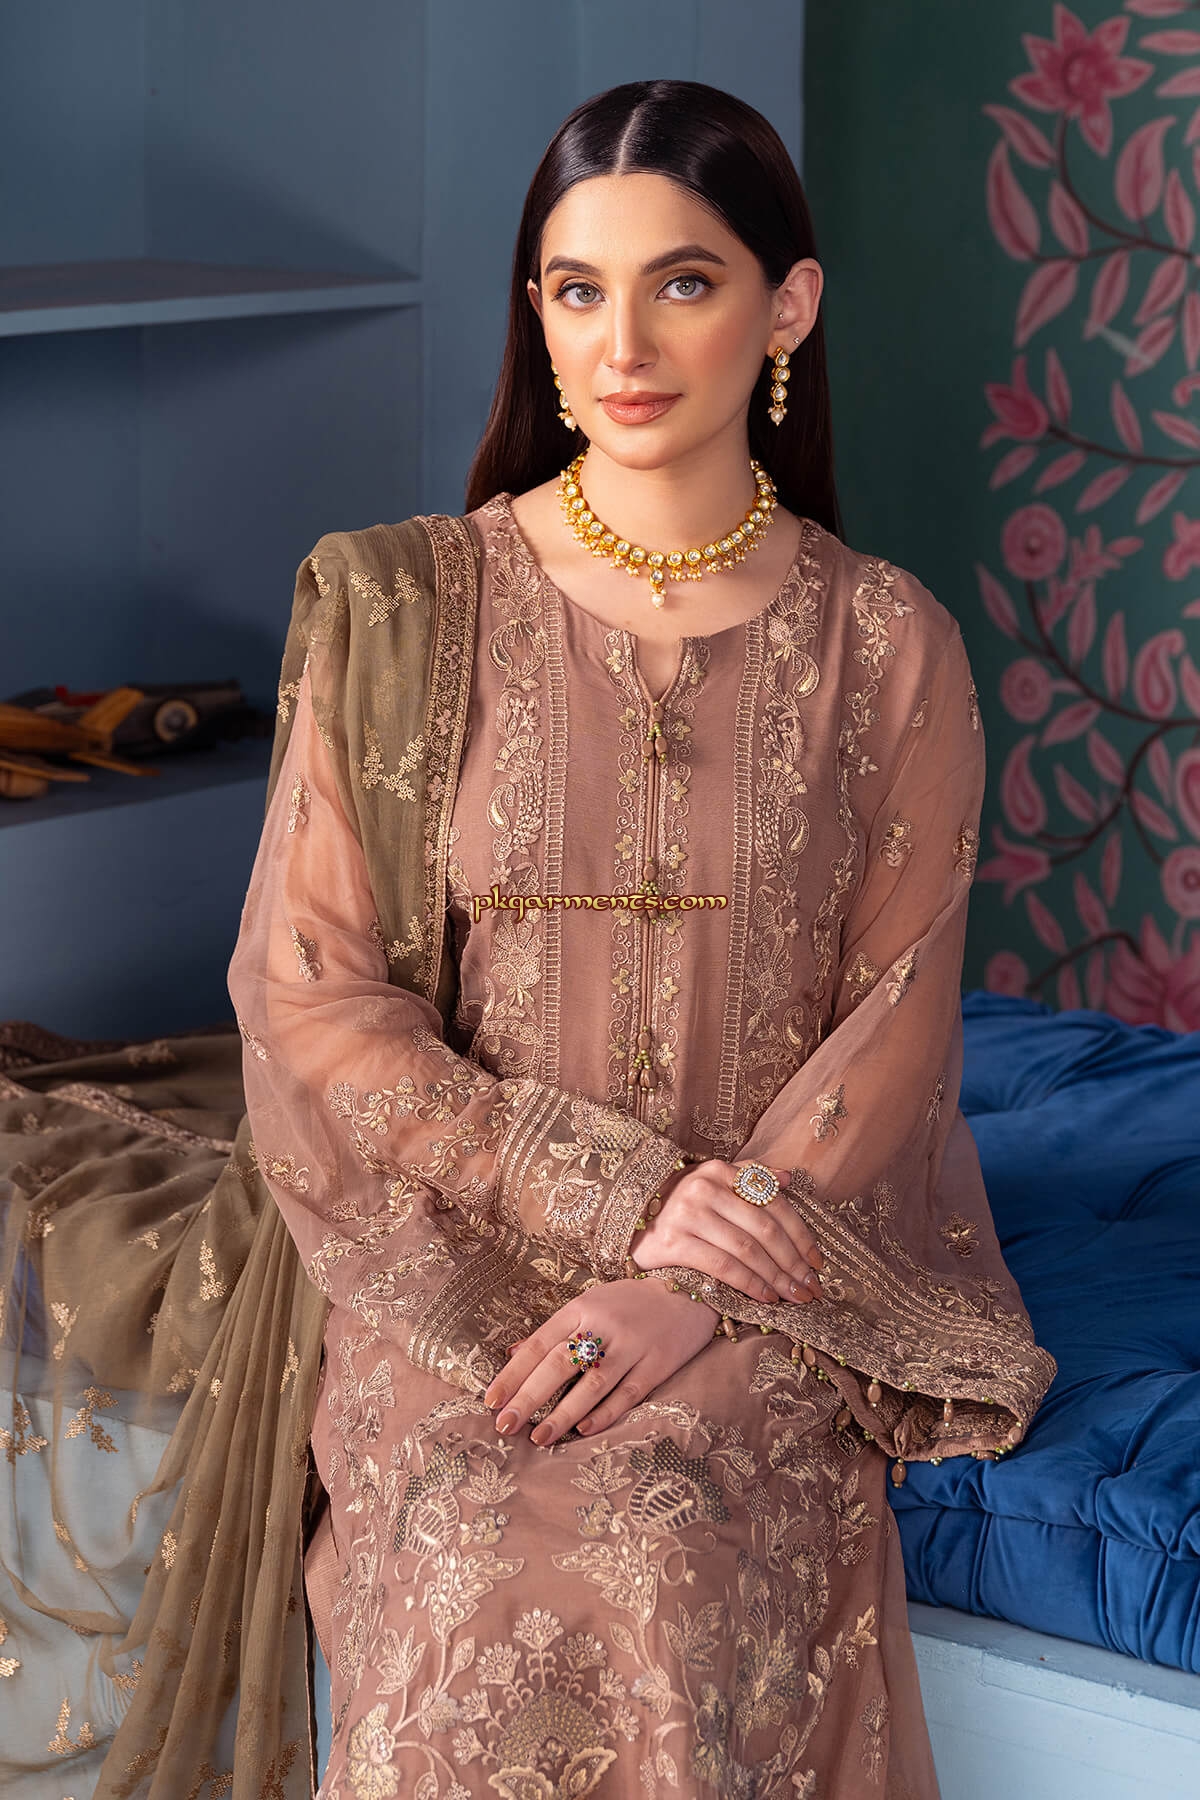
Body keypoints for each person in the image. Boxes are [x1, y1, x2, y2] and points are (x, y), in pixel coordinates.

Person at [0, 80, 1055, 1800]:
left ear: (788, 306)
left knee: (665, 1545)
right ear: (539, 315)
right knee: (469, 1543)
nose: (621, 344)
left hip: (769, 1258)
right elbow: (306, 993)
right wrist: (605, 1197)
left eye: (683, 282)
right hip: (452, 1243)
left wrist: (689, 1280)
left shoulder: (885, 648)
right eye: (577, 289)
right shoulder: (406, 608)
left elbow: (894, 1030)